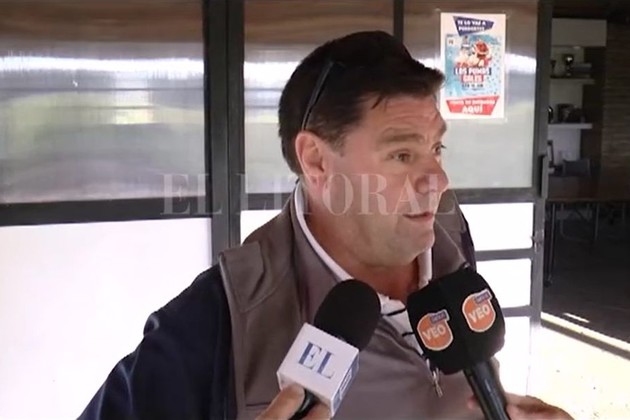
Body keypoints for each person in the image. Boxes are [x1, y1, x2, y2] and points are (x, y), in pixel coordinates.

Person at [79, 31, 572, 420]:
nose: (438, 181)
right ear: (316, 160)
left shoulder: (448, 237)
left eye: (435, 148)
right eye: (402, 154)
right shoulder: (219, 320)